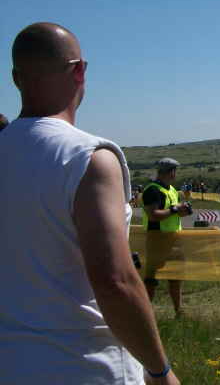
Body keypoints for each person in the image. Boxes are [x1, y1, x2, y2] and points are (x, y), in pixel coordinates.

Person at [0, 23, 179, 385]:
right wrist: (160, 371)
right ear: (79, 70)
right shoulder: (87, 157)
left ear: (16, 77)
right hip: (83, 365)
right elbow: (114, 280)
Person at [141, 158, 192, 318]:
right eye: (174, 170)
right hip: (157, 239)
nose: (175, 174)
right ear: (171, 172)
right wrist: (175, 209)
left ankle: (179, 311)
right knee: (151, 279)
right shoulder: (152, 190)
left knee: (175, 276)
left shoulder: (171, 189)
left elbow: (172, 213)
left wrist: (183, 211)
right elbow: (153, 215)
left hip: (174, 239)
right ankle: (145, 314)